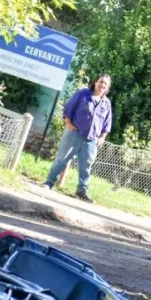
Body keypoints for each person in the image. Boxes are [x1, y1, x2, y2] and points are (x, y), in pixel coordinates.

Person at [43, 74, 112, 203]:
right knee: (62, 158)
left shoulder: (106, 103)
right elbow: (68, 107)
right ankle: (49, 182)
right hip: (74, 133)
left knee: (86, 166)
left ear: (107, 87)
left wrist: (102, 136)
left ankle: (81, 191)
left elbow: (107, 122)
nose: (102, 85)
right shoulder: (83, 94)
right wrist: (68, 123)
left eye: (105, 84)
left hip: (91, 139)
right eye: (101, 82)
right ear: (95, 82)